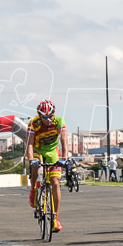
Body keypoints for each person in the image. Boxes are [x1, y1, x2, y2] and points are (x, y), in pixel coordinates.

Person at [25, 99, 69, 233]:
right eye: (45, 117)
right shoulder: (34, 123)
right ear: (39, 115)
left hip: (52, 151)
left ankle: (55, 218)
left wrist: (65, 159)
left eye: (50, 116)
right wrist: (31, 159)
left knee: (55, 182)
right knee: (36, 168)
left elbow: (64, 142)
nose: (48, 120)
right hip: (37, 149)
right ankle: (33, 190)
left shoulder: (59, 122)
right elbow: (30, 144)